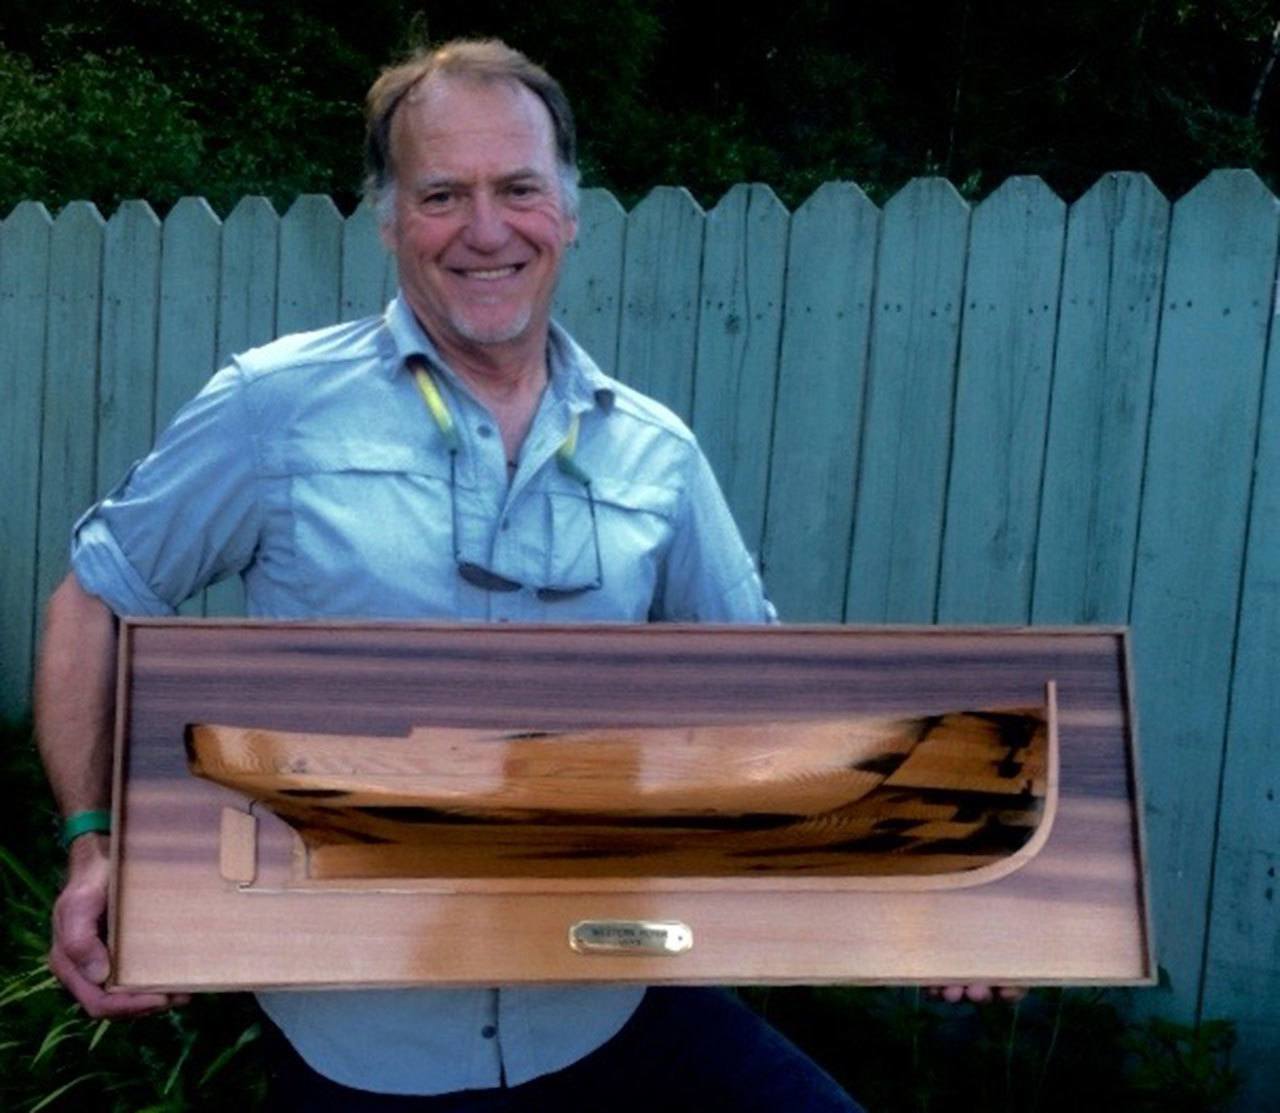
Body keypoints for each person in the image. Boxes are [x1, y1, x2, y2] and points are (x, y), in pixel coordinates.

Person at [34, 38, 864, 1111]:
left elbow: (767, 703)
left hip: (607, 997)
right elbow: (97, 595)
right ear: (388, 220)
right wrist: (91, 843)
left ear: (567, 212)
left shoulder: (655, 453)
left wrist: (959, 910)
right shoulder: (271, 409)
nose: (485, 229)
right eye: (442, 195)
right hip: (364, 1046)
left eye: (517, 189)